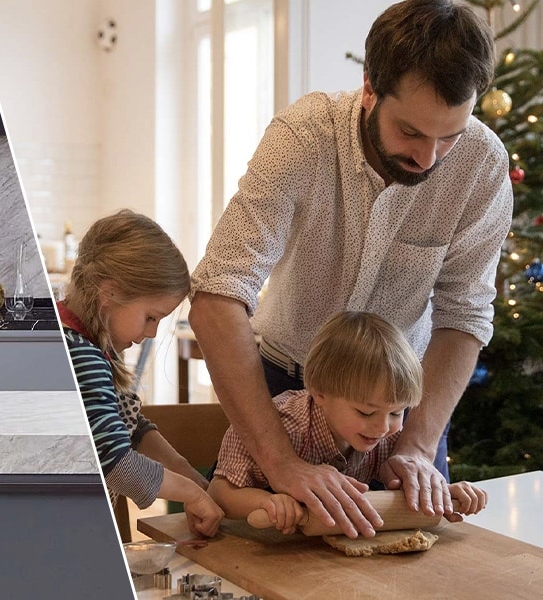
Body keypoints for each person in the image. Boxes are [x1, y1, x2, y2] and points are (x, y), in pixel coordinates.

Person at [189, 0, 511, 539]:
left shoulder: (482, 165)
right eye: (410, 132)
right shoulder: (304, 136)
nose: (429, 158)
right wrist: (281, 462)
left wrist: (415, 447)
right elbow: (217, 295)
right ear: (369, 88)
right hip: (280, 387)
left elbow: (466, 315)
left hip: (402, 411)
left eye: (449, 136)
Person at [207, 311, 488, 533]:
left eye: (397, 412)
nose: (382, 427)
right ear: (320, 393)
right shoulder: (280, 423)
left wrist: (446, 494)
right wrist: (267, 502)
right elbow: (220, 492)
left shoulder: (388, 436)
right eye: (366, 413)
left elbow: (404, 491)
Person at [58, 209, 224, 537]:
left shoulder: (84, 342)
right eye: (151, 317)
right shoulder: (81, 356)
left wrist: (189, 475)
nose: (151, 333)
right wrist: (191, 494)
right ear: (110, 293)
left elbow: (130, 430)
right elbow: (118, 464)